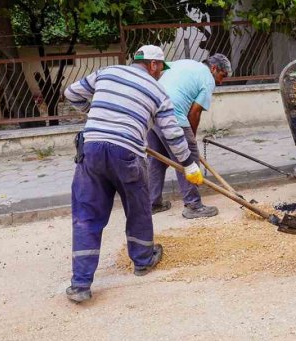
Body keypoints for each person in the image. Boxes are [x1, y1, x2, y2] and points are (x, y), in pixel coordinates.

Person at [62, 45, 204, 303]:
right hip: (127, 153)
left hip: (91, 148)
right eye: (161, 67)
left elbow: (71, 93)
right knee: (138, 207)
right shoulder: (158, 92)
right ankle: (142, 260)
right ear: (152, 65)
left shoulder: (107, 72)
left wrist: (93, 112)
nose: (161, 73)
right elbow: (173, 134)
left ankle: (80, 284)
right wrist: (189, 164)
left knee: (86, 215)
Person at [147, 53, 232, 219]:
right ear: (214, 68)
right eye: (222, 76)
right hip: (172, 115)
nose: (220, 82)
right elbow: (195, 112)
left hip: (152, 111)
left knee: (158, 159)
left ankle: (152, 203)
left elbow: (156, 70)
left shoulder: (183, 63)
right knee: (188, 158)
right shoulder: (207, 78)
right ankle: (193, 205)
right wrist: (190, 141)